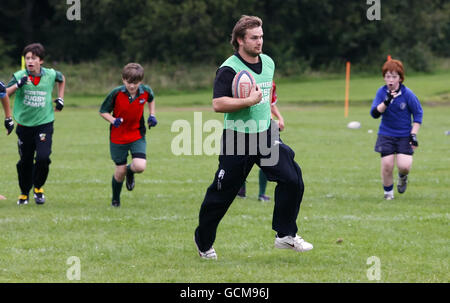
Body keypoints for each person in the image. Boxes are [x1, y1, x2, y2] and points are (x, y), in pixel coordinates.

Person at [194, 15, 313, 260]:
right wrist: (247, 101)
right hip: (237, 138)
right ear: (240, 40)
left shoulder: (268, 62)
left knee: (292, 178)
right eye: (254, 38)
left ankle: (285, 235)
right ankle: (203, 242)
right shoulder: (229, 68)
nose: (259, 42)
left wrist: (274, 116)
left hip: (265, 134)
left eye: (261, 37)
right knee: (222, 194)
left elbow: (266, 96)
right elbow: (218, 104)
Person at [5, 43, 66, 205]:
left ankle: (38, 188)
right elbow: (4, 93)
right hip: (24, 125)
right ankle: (24, 192)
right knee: (25, 161)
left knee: (43, 158)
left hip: (44, 123)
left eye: (33, 58)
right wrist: (18, 85)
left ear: (41, 61)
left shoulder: (51, 74)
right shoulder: (19, 76)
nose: (30, 61)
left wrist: (61, 98)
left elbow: (62, 78)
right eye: (27, 58)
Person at [99, 63, 157, 207]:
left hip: (137, 134)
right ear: (123, 80)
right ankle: (115, 200)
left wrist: (152, 115)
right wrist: (113, 120)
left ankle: (130, 172)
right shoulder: (116, 93)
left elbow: (151, 99)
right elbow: (103, 111)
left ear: (141, 81)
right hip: (118, 137)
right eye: (129, 82)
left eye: (135, 83)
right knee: (119, 172)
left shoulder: (145, 91)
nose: (132, 86)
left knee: (140, 166)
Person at [370, 59, 423, 200]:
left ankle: (403, 177)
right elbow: (374, 114)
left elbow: (418, 114)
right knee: (387, 164)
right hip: (386, 134)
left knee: (404, 166)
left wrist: (413, 134)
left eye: (394, 76)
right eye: (388, 76)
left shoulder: (408, 94)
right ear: (384, 78)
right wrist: (386, 102)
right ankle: (388, 194)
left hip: (404, 135)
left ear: (400, 78)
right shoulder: (381, 93)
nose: (391, 80)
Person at [237, 81, 285, 201]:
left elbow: (271, 104)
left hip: (268, 125)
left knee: (267, 160)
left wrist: (280, 118)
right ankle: (240, 190)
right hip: (248, 124)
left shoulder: (271, 83)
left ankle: (261, 194)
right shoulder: (245, 81)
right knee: (242, 159)